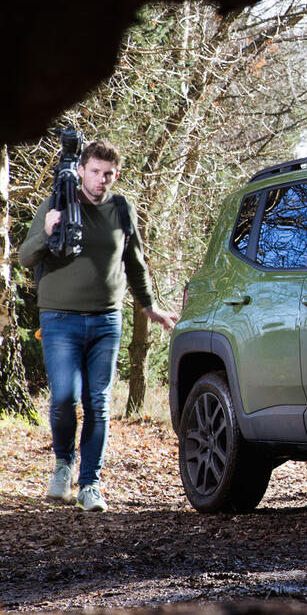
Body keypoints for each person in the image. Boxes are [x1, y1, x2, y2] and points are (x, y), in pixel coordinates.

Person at [18, 139, 177, 512]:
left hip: (107, 320)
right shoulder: (58, 202)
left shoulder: (122, 208)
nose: (101, 180)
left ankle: (90, 483)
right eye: (95, 172)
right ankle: (62, 464)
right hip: (59, 319)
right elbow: (26, 257)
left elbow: (135, 262)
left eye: (108, 174)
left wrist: (150, 306)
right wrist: (47, 229)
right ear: (82, 170)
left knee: (98, 403)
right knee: (63, 399)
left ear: (115, 175)